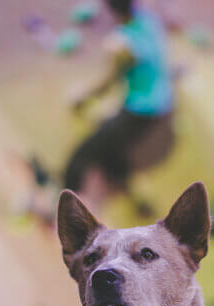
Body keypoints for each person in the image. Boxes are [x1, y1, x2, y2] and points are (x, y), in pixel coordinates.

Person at [64, 0, 173, 209]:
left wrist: (80, 97)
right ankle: (135, 198)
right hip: (162, 103)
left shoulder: (121, 45)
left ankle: (66, 209)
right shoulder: (149, 20)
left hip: (141, 113)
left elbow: (106, 86)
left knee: (80, 157)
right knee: (111, 147)